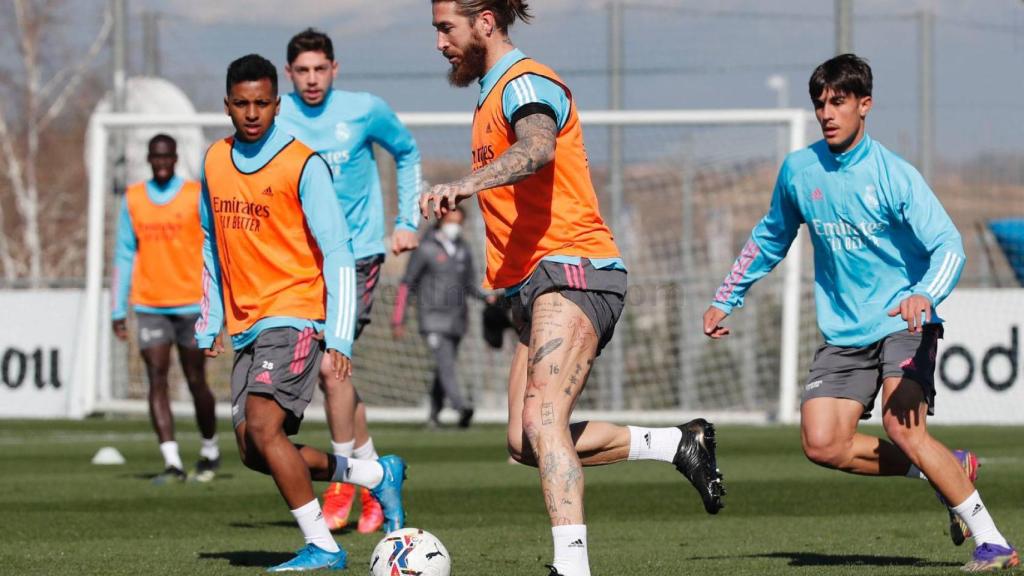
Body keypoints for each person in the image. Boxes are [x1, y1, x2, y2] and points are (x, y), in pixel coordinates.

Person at [425, 3, 725, 575]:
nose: (439, 42)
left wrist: (465, 185)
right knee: (524, 441)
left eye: (447, 28)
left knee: (543, 420)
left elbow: (538, 147)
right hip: (532, 284)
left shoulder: (526, 82)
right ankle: (676, 445)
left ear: (484, 22)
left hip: (573, 267)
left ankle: (572, 568)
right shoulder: (489, 94)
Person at [702, 54, 1018, 572]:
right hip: (844, 332)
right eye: (821, 104)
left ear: (864, 105)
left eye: (839, 102)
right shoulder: (799, 171)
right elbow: (770, 237)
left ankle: (993, 541)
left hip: (904, 321)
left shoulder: (893, 175)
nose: (827, 113)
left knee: (902, 425)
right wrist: (726, 296)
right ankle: (949, 470)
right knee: (822, 443)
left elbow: (949, 247)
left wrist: (925, 296)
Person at [196, 54, 406, 572]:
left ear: (277, 104)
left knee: (266, 427)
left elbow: (338, 250)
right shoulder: (213, 162)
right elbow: (208, 241)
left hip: (296, 314)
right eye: (241, 104)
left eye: (262, 103)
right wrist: (210, 318)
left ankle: (324, 547)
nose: (252, 113)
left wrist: (338, 338)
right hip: (247, 324)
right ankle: (375, 477)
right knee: (253, 449)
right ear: (227, 106)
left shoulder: (303, 163)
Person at [276, 28, 422, 533]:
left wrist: (406, 221)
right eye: (302, 71)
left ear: (334, 70)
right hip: (303, 263)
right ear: (288, 74)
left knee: (329, 368)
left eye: (320, 69)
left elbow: (406, 151)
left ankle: (340, 484)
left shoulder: (364, 109)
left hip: (357, 255)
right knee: (338, 377)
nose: (312, 79)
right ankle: (378, 478)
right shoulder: (279, 116)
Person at [111, 134, 219, 484]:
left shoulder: (193, 194)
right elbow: (125, 254)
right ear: (148, 159)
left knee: (195, 380)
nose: (161, 163)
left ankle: (209, 448)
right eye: (155, 157)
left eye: (166, 157)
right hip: (149, 304)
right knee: (156, 378)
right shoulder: (134, 198)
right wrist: (117, 308)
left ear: (174, 158)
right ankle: (172, 461)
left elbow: (211, 247)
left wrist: (214, 302)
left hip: (191, 304)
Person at [391, 206, 490, 428]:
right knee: (445, 362)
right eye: (451, 220)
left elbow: (471, 285)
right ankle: (461, 406)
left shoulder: (463, 249)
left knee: (443, 366)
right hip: (432, 318)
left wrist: (488, 298)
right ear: (441, 220)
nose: (455, 226)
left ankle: (434, 416)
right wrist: (399, 318)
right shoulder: (425, 248)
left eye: (459, 221)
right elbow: (408, 283)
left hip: (457, 319)